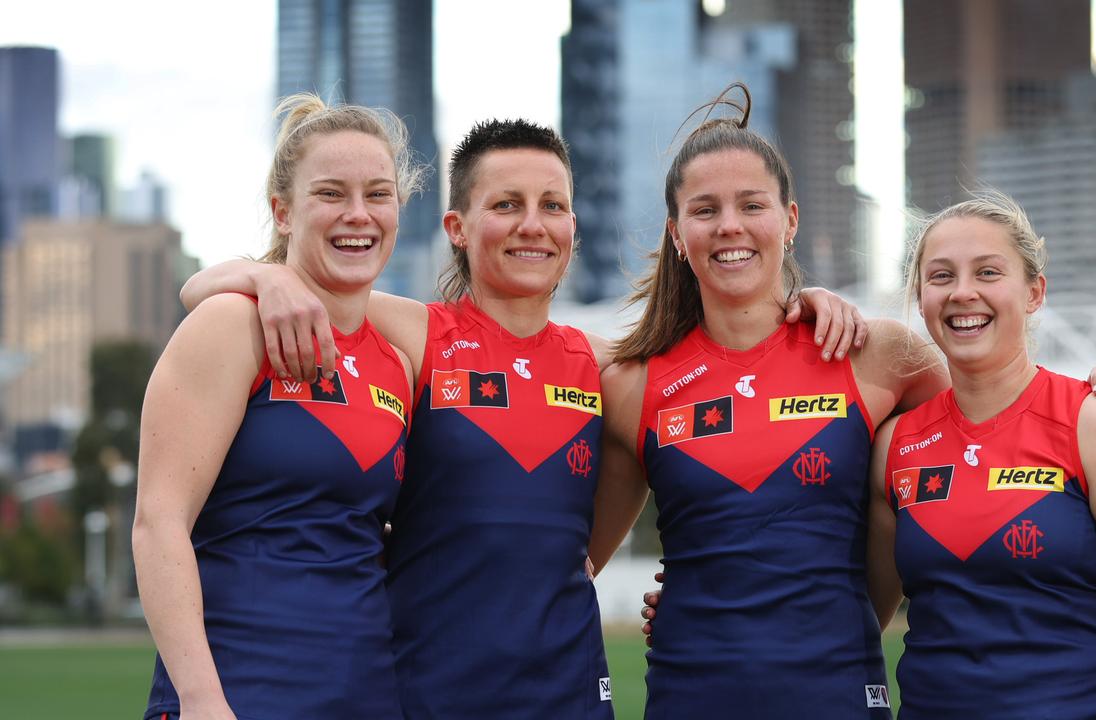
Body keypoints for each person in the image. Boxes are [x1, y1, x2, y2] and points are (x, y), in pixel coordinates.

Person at [178, 117, 862, 718]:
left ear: (572, 229)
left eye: (551, 205)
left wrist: (810, 303)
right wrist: (266, 277)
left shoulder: (608, 371)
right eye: (506, 205)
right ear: (457, 228)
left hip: (567, 692)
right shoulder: (415, 337)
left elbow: (588, 550)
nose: (532, 224)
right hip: (426, 688)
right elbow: (252, 285)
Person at [592, 83, 1096, 719]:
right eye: (705, 210)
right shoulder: (629, 385)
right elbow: (567, 559)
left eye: (753, 204)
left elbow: (998, 409)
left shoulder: (876, 353)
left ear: (790, 220)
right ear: (675, 232)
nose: (731, 226)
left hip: (841, 697)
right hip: (689, 696)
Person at [132, 93, 424, 720]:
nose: (358, 215)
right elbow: (158, 522)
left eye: (378, 193)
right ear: (282, 212)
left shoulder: (398, 363)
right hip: (238, 692)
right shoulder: (230, 326)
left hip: (367, 695)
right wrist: (202, 701)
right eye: (330, 194)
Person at [864, 192, 1096, 718]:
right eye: (941, 276)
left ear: (1035, 292)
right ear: (920, 296)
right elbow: (860, 617)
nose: (963, 293)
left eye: (988, 273)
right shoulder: (894, 447)